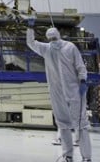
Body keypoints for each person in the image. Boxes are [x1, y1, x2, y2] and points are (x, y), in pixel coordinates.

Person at [25, 19, 91, 162]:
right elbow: (31, 43)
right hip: (59, 93)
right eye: (51, 39)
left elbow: (80, 66)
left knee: (81, 124)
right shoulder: (47, 49)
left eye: (54, 38)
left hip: (74, 91)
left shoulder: (69, 47)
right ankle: (68, 156)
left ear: (58, 36)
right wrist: (30, 28)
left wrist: (83, 80)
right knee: (63, 125)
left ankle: (86, 157)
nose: (53, 41)